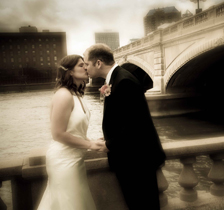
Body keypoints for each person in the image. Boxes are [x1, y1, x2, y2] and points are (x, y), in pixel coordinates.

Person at [83, 44, 166, 210]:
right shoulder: (117, 79)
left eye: (86, 63)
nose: (85, 68)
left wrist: (109, 145)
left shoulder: (124, 81)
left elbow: (135, 126)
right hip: (132, 160)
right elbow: (123, 120)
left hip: (137, 162)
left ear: (98, 63)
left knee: (143, 205)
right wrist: (108, 138)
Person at [37, 55, 104, 210]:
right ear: (70, 72)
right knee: (69, 203)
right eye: (81, 65)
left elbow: (73, 130)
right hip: (63, 160)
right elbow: (58, 134)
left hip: (75, 158)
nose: (86, 68)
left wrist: (91, 141)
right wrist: (89, 145)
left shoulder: (76, 95)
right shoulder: (63, 95)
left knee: (76, 202)